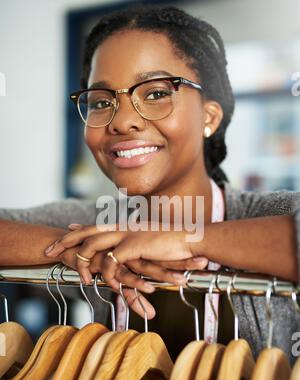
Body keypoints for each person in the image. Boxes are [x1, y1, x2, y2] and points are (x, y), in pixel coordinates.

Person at [0, 5, 299, 361]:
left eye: (156, 93)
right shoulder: (96, 225)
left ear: (209, 117)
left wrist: (187, 239)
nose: (123, 121)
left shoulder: (270, 214)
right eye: (101, 101)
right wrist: (77, 249)